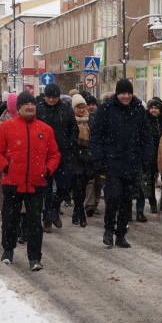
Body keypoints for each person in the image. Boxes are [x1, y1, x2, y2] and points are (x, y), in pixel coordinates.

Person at [0, 90, 60, 271]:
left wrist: (47, 169)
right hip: (12, 183)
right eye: (25, 104)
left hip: (36, 183)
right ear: (19, 108)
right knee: (10, 220)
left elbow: (54, 155)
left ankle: (35, 258)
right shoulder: (6, 127)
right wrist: (6, 167)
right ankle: (8, 251)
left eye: (32, 104)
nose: (30, 107)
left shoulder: (45, 129)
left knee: (35, 223)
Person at [89, 79, 154, 248]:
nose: (126, 96)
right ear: (117, 94)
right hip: (111, 161)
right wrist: (97, 157)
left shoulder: (139, 110)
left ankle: (121, 235)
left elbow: (146, 136)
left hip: (132, 161)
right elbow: (95, 136)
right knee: (113, 197)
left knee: (127, 200)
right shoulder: (106, 109)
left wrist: (147, 157)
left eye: (129, 93)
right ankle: (109, 230)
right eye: (123, 93)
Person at [36, 82, 79, 232]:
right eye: (48, 97)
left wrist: (68, 144)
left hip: (63, 154)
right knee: (46, 189)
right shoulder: (39, 109)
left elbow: (74, 129)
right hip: (44, 156)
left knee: (64, 185)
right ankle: (47, 218)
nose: (51, 100)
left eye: (54, 97)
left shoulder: (65, 109)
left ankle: (54, 210)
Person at [136, 97, 162, 220]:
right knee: (148, 181)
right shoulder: (146, 121)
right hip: (150, 155)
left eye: (156, 108)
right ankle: (153, 203)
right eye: (152, 108)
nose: (154, 110)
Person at [69, 94, 95, 227]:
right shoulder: (71, 121)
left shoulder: (90, 121)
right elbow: (68, 140)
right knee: (77, 187)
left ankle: (76, 210)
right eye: (78, 107)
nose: (81, 110)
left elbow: (95, 138)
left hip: (87, 159)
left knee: (84, 187)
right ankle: (81, 213)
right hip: (74, 159)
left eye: (82, 107)